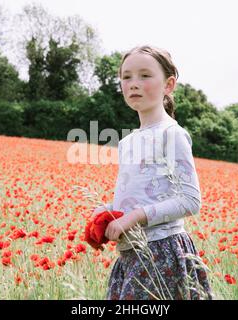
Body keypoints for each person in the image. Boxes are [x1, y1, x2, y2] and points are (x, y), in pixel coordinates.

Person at [92, 45, 212, 300]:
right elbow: (139, 195)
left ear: (168, 85)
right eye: (127, 77)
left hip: (162, 252)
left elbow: (191, 201)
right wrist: (107, 211)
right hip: (131, 254)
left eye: (145, 75)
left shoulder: (172, 134)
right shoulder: (127, 142)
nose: (134, 83)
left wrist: (134, 217)